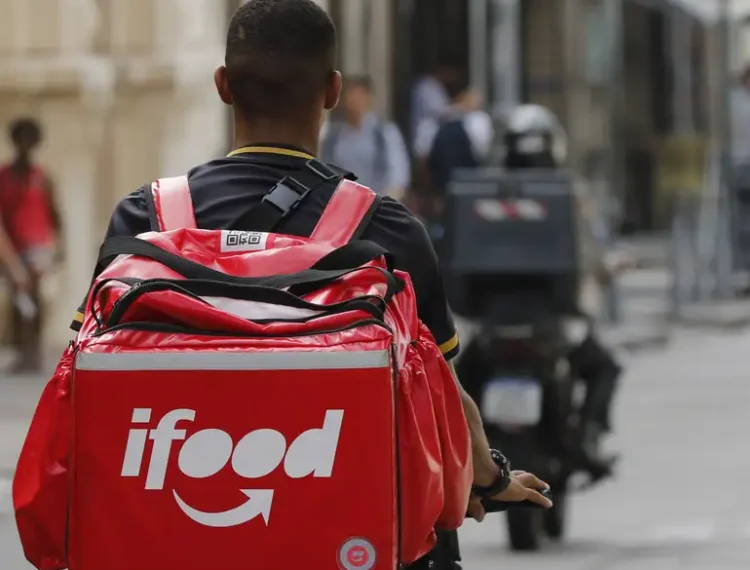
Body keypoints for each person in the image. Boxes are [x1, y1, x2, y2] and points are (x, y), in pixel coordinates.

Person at [69, 0, 552, 567]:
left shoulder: (146, 219)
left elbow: (82, 377)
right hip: (347, 535)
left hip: (175, 532)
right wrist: (489, 476)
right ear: (332, 91)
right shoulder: (386, 230)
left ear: (223, 85)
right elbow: (442, 390)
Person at [454, 104, 623, 480]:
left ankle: (452, 453)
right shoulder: (566, 195)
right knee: (605, 367)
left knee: (455, 383)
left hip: (491, 324)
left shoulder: (479, 195)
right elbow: (588, 253)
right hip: (551, 324)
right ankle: (588, 439)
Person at [1, 118, 63, 373]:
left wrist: (58, 249)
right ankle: (22, 352)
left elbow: (55, 216)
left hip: (39, 249)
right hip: (12, 248)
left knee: (35, 298)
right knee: (19, 298)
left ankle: (33, 353)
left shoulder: (42, 177)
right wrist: (10, 260)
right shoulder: (4, 178)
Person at [413, 74, 493, 231]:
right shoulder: (434, 124)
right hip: (442, 188)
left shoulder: (476, 121)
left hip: (464, 186)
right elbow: (423, 159)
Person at [319, 74, 411, 201]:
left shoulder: (384, 133)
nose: (355, 100)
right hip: (343, 203)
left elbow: (398, 174)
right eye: (350, 95)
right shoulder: (332, 136)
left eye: (360, 95)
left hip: (376, 203)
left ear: (368, 98)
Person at [411, 57, 463, 148]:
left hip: (435, 136)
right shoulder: (426, 85)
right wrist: (462, 106)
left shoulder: (437, 86)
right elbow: (439, 111)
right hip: (426, 135)